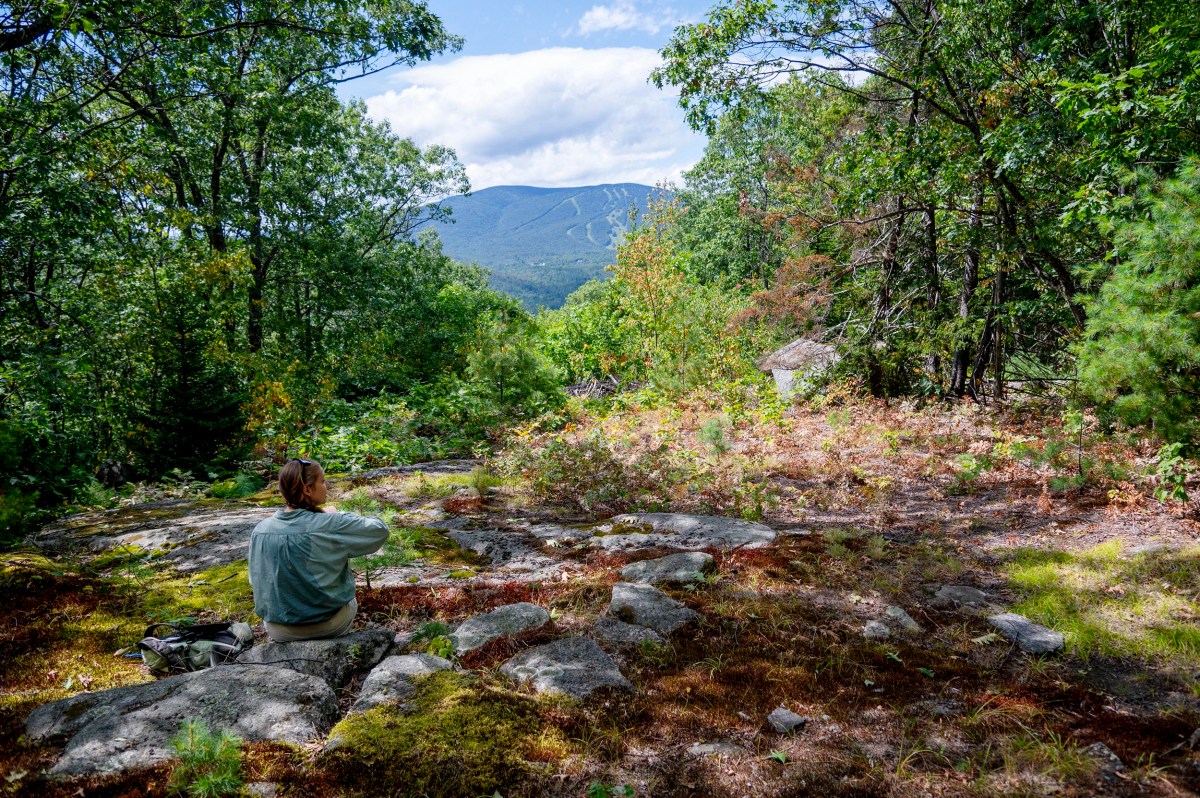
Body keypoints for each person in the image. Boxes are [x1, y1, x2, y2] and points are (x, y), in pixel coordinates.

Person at [248, 458, 388, 642]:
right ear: (307, 489)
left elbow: (255, 580)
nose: (327, 485)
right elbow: (379, 530)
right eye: (322, 480)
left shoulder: (260, 530)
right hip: (328, 624)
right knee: (349, 599)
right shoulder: (329, 523)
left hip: (278, 629)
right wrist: (337, 515)